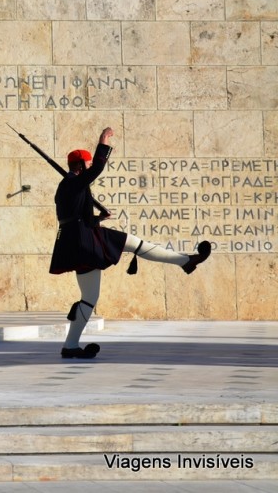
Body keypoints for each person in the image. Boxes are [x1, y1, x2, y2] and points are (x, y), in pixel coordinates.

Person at [50, 126, 211, 359]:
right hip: (83, 240)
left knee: (90, 297)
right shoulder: (72, 182)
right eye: (86, 164)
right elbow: (97, 168)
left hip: (81, 237)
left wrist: (98, 218)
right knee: (133, 244)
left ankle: (70, 346)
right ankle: (185, 261)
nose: (88, 169)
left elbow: (76, 216)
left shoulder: (72, 185)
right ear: (80, 166)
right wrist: (103, 142)